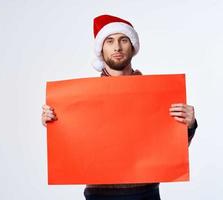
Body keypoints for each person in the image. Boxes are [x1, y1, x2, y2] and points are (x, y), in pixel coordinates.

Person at [41, 14, 198, 200]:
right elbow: (73, 148)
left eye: (123, 40)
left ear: (132, 46)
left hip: (146, 193)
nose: (117, 47)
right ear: (101, 49)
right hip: (99, 194)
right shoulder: (80, 99)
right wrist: (55, 124)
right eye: (109, 41)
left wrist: (188, 125)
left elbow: (170, 149)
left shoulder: (157, 94)